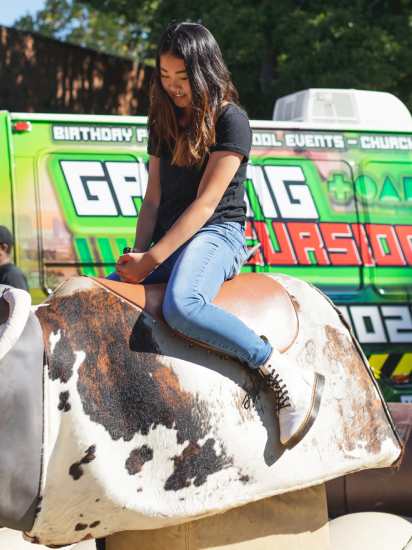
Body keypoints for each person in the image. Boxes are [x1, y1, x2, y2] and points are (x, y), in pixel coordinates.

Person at [108, 22, 324, 448]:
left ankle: (281, 374)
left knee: (183, 306)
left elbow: (206, 205)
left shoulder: (232, 120)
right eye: (165, 76)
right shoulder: (162, 120)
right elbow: (152, 201)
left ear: (204, 70)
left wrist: (152, 261)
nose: (173, 87)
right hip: (173, 239)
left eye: (182, 77)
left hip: (218, 234)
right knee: (102, 296)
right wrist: (136, 256)